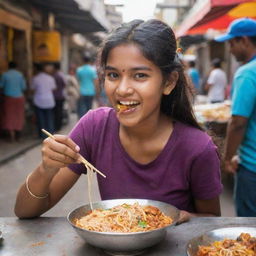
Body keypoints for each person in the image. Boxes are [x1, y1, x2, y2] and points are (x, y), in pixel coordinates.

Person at [15, 19, 222, 222]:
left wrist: (186, 217)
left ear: (168, 82)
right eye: (113, 75)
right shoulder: (95, 127)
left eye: (140, 75)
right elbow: (24, 211)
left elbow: (212, 218)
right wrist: (46, 169)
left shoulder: (197, 148)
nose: (122, 90)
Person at [215, 18, 256, 217]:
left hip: (252, 166)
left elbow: (238, 123)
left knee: (250, 228)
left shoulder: (247, 73)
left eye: (232, 43)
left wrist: (227, 158)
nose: (230, 49)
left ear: (245, 41)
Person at [0, 62, 26, 142]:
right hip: (19, 98)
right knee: (19, 115)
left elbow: (1, 86)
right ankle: (18, 135)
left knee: (9, 115)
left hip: (9, 98)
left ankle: (11, 136)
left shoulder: (5, 75)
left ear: (8, 66)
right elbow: (24, 87)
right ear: (16, 67)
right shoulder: (20, 75)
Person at [31, 63, 56, 138]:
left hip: (39, 101)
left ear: (36, 69)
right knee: (49, 119)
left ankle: (43, 136)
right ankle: (51, 135)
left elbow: (32, 89)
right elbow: (54, 88)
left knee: (41, 120)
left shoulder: (35, 78)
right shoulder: (50, 78)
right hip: (49, 101)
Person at [76, 54, 99, 118]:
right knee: (89, 109)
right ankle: (88, 122)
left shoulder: (79, 70)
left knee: (82, 109)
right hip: (91, 91)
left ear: (82, 60)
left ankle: (82, 122)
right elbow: (95, 81)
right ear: (89, 61)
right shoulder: (92, 70)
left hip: (82, 92)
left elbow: (78, 81)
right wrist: (96, 91)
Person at [53, 62, 67, 131]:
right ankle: (59, 126)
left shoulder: (54, 75)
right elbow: (65, 84)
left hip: (55, 97)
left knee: (56, 112)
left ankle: (57, 126)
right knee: (60, 111)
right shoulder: (61, 75)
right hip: (61, 96)